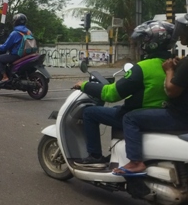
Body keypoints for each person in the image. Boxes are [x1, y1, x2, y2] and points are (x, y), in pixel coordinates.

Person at [72, 20, 174, 168]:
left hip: (140, 114)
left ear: (152, 42)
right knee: (115, 111)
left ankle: (94, 156)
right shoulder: (174, 64)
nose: (141, 45)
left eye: (143, 41)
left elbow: (111, 94)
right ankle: (116, 155)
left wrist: (85, 85)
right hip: (161, 114)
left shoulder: (143, 68)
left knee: (89, 113)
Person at [113, 15, 188, 176]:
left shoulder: (183, 63)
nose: (180, 36)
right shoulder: (181, 61)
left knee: (130, 118)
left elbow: (172, 90)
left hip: (178, 116)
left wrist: (168, 71)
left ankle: (135, 162)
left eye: (184, 32)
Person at [0, 13, 31, 82]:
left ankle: (5, 76)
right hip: (27, 55)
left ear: (15, 22)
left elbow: (5, 47)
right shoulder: (29, 32)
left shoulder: (14, 33)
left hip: (17, 55)